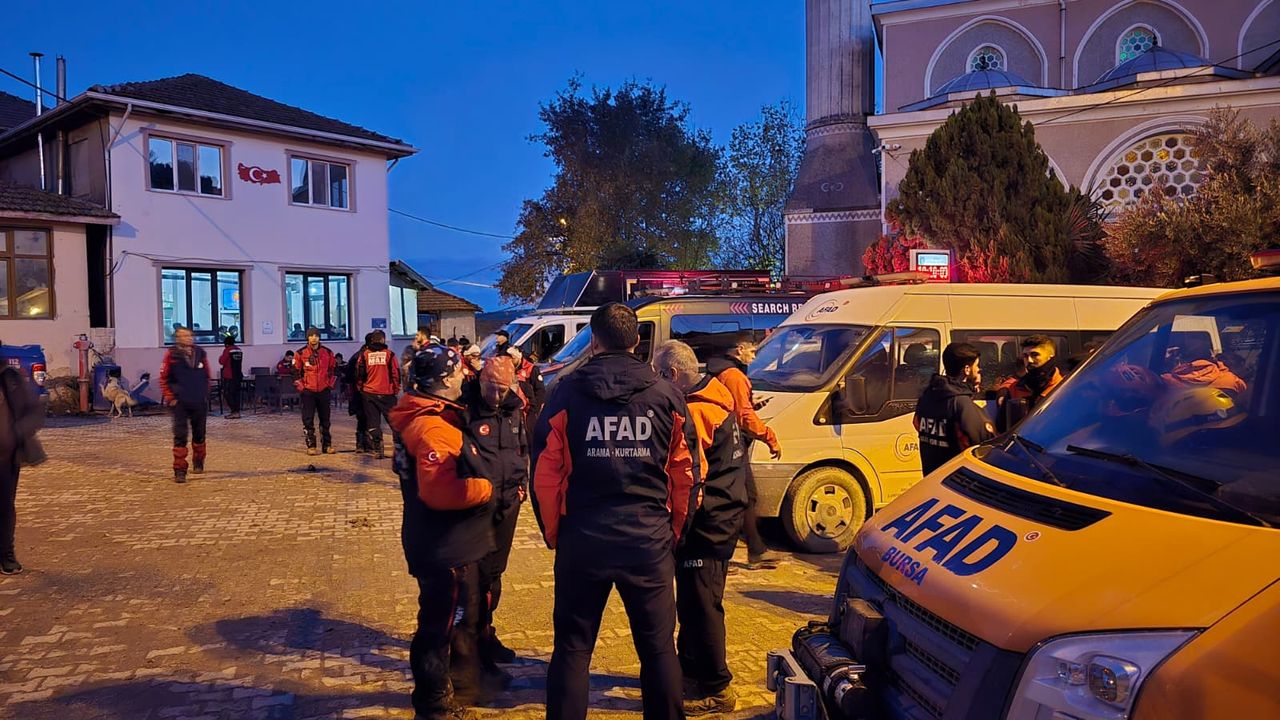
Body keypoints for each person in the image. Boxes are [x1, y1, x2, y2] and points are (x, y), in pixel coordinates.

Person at [531, 302, 700, 720]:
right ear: (637, 342)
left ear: (594, 341)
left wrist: (556, 533)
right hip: (647, 542)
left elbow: (544, 474)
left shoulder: (566, 393)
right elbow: (687, 475)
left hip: (583, 540)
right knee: (658, 648)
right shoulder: (666, 395)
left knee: (572, 648)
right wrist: (674, 532)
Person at [389, 345, 494, 720]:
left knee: (444, 621)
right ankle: (433, 704)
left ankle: (443, 693)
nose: (465, 375)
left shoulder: (428, 414)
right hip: (442, 546)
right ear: (444, 380)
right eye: (459, 371)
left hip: (442, 540)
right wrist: (485, 489)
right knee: (438, 628)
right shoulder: (431, 427)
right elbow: (440, 492)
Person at [653, 341, 747, 715]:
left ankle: (717, 687)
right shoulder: (716, 395)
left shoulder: (696, 412)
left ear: (674, 374)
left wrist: (676, 524)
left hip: (707, 522)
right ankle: (689, 669)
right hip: (722, 513)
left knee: (702, 605)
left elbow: (688, 475)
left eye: (659, 374)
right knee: (695, 601)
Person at [463, 355, 528, 673]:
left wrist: (522, 485)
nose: (499, 395)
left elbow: (522, 448)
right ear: (481, 381)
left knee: (495, 575)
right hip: (476, 507)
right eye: (494, 388)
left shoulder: (514, 409)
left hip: (508, 503)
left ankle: (486, 632)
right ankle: (470, 641)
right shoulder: (467, 409)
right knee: (474, 578)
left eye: (505, 388)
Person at [706, 336, 782, 570]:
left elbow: (734, 406)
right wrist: (769, 437)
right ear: (740, 349)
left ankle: (753, 550)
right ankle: (727, 554)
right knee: (743, 497)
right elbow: (744, 416)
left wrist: (750, 403)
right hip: (731, 444)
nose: (754, 356)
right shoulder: (735, 376)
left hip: (721, 441)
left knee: (743, 497)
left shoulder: (721, 371)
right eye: (752, 351)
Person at [914, 343, 996, 476]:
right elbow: (984, 444)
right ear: (967, 369)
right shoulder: (961, 403)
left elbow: (916, 423)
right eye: (977, 366)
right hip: (958, 480)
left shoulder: (927, 397)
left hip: (932, 478)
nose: (978, 370)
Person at [0, 365, 46, 575]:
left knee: (4, 506)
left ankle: (6, 555)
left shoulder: (9, 377)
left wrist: (17, 432)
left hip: (5, 458)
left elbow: (34, 410)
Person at [160, 327, 212, 483]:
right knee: (180, 435)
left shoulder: (200, 353)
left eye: (190, 335)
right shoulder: (172, 355)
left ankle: (198, 460)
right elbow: (163, 377)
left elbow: (207, 375)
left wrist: (205, 393)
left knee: (199, 434)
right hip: (179, 402)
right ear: (177, 338)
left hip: (198, 400)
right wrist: (170, 397)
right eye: (184, 336)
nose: (188, 338)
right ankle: (180, 469)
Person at [997, 335, 1064, 432]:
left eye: (1035, 355)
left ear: (1050, 357)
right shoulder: (1014, 389)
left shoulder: (1065, 388)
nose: (1029, 360)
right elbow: (1002, 429)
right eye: (1025, 356)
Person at [356, 329, 402, 458]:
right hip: (387, 393)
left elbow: (359, 374)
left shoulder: (364, 355)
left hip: (369, 393)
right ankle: (399, 447)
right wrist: (396, 389)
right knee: (394, 421)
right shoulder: (390, 355)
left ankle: (377, 448)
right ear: (383, 340)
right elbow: (396, 373)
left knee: (373, 422)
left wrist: (361, 388)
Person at [294, 328, 339, 455]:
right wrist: (302, 387)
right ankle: (311, 445)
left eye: (316, 336)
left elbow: (334, 369)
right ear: (307, 338)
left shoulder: (328, 352)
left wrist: (330, 385)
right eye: (311, 336)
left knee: (325, 419)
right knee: (308, 419)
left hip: (324, 390)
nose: (314, 338)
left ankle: (327, 445)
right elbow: (295, 372)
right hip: (308, 391)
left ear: (319, 337)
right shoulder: (300, 353)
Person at [346, 333, 374, 454]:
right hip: (360, 391)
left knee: (365, 417)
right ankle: (362, 443)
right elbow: (349, 375)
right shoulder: (360, 356)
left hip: (363, 391)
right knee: (363, 417)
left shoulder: (359, 355)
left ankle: (364, 443)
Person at [507, 346, 545, 422]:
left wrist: (534, 411)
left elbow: (540, 391)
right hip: (514, 409)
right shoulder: (508, 368)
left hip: (529, 409)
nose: (510, 361)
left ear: (518, 357)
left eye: (512, 358)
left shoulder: (531, 369)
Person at [218, 335, 244, 419]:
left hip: (229, 375)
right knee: (236, 394)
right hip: (238, 375)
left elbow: (222, 361)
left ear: (226, 343)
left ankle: (234, 411)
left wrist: (220, 357)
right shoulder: (239, 350)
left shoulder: (228, 350)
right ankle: (237, 411)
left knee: (228, 394)